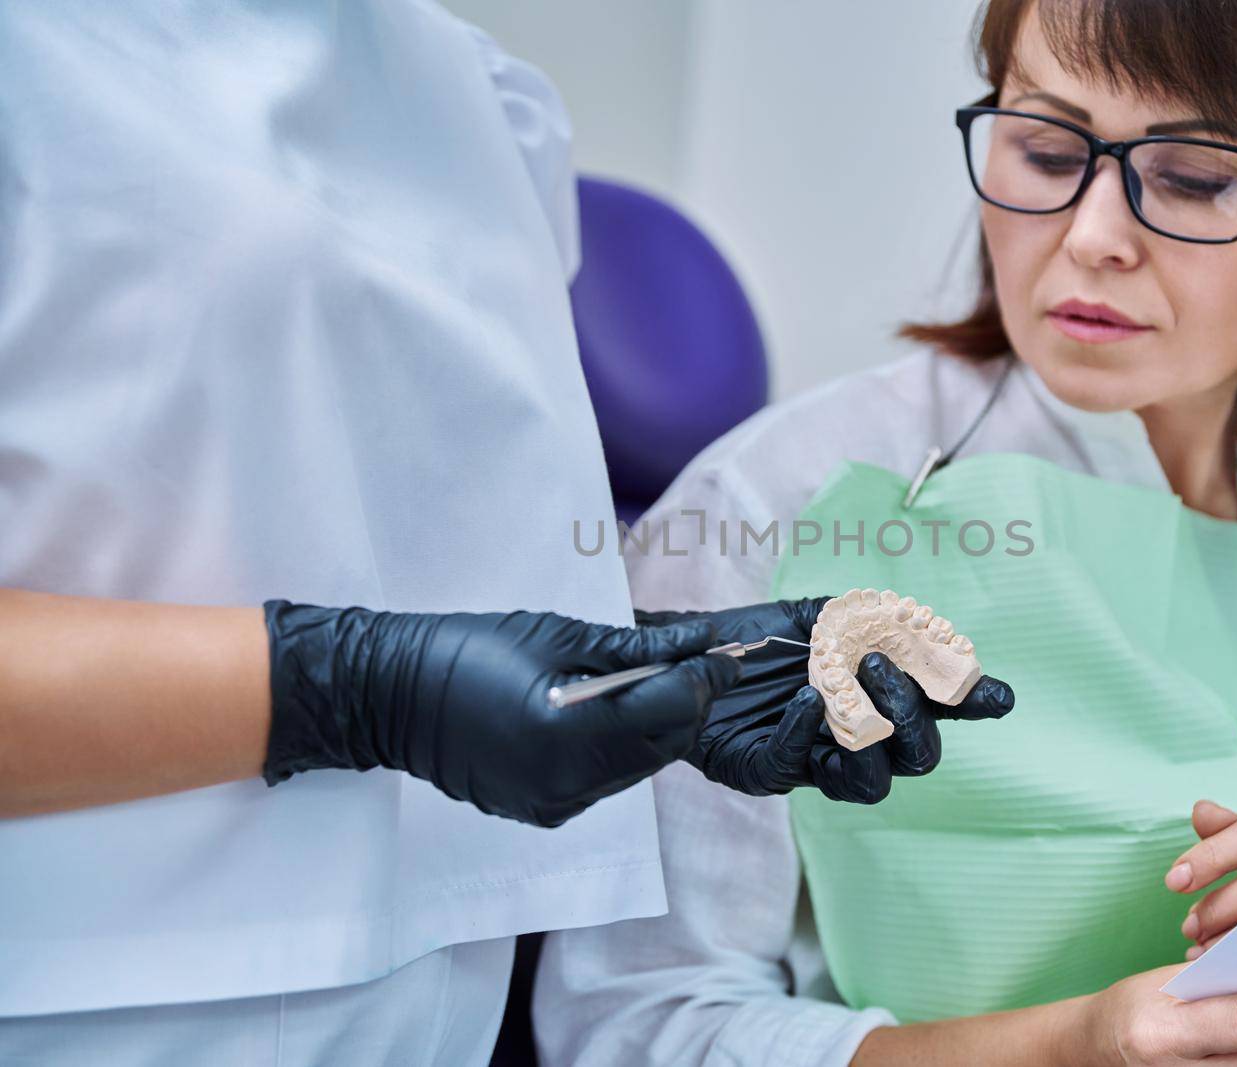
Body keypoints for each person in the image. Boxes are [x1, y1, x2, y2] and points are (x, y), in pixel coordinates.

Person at [530, 1, 1237, 1065]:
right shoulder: (771, 510)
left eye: (1192, 177)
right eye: (1044, 149)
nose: (1091, 237)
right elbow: (631, 1027)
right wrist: (1072, 1046)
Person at [0, 3, 1011, 1063]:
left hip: (431, 999)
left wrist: (641, 673)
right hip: (86, 989)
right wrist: (358, 686)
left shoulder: (477, 92)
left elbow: (359, 507)